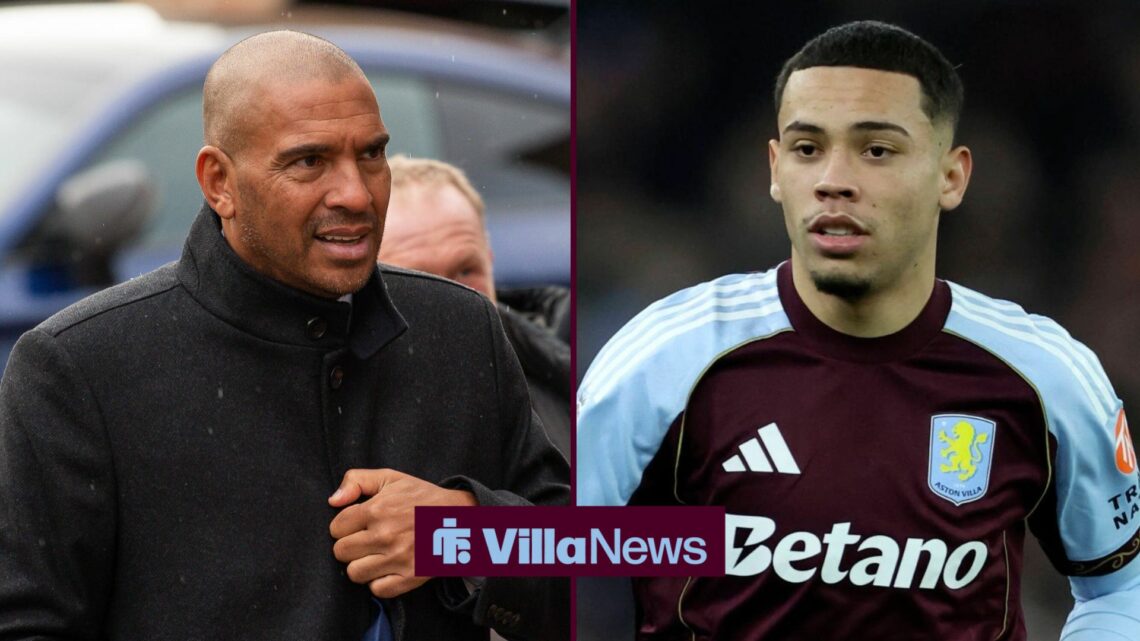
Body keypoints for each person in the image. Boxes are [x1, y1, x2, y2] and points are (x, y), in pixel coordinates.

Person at [576, 20, 1140, 641]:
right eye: (807, 148)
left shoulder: (1045, 375)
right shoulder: (665, 357)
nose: (833, 180)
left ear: (951, 176)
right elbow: (546, 554)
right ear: (773, 169)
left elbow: (1120, 585)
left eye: (876, 150)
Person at [0, 31, 568, 641]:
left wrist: (463, 535)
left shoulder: (461, 330)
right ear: (219, 182)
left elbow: (601, 574)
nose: (355, 194)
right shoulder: (78, 368)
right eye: (309, 161)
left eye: (372, 155)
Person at [378, 155, 570, 455]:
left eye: (466, 271)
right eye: (421, 280)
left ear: (490, 261)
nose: (456, 300)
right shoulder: (346, 415)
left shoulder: (573, 381)